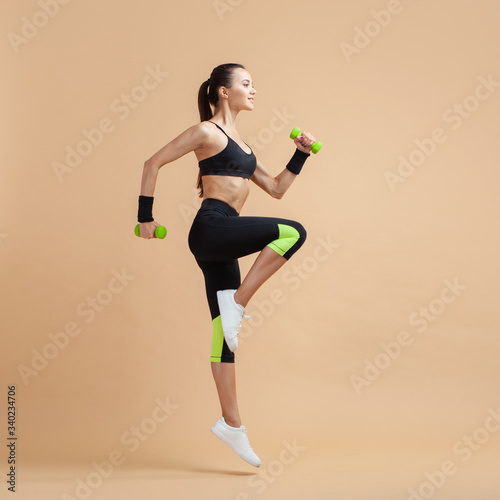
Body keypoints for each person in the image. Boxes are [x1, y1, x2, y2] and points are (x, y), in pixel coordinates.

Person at [137, 63, 317, 468]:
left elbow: (276, 189)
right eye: (246, 83)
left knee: (225, 337)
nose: (253, 89)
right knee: (293, 233)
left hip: (225, 236)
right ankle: (238, 303)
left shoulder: (244, 147)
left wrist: (300, 155)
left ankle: (232, 424)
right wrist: (145, 217)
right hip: (210, 228)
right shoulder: (207, 132)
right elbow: (152, 163)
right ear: (223, 91)